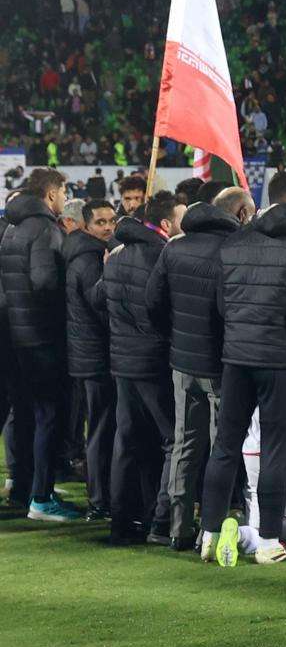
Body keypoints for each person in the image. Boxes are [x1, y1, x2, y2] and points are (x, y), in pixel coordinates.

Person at [196, 172, 286, 566]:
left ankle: (210, 533)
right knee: (274, 450)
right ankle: (269, 540)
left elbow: (220, 303)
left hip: (236, 358)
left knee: (225, 446)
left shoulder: (234, 240)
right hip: (282, 361)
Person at [145, 186, 251, 546]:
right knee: (223, 446)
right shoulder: (231, 250)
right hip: (219, 364)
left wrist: (175, 337)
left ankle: (178, 529)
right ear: (239, 214)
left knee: (184, 445)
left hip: (182, 361)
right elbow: (229, 311)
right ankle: (214, 525)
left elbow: (152, 302)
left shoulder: (174, 248)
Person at [99, 193, 178, 545]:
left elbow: (98, 297)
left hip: (123, 362)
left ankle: (122, 520)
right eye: (181, 218)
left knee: (128, 440)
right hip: (152, 361)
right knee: (173, 441)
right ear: (165, 224)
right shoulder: (162, 256)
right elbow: (165, 311)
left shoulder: (115, 255)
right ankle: (161, 520)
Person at [1, 168, 79, 521]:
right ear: (51, 193)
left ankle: (25, 486)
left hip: (16, 335)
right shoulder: (45, 228)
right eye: (64, 192)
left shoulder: (13, 227)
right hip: (42, 337)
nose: (65, 198)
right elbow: (46, 283)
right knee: (49, 415)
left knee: (25, 414)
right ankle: (42, 498)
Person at [63, 198, 118, 524]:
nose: (109, 227)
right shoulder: (89, 259)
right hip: (95, 358)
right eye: (101, 222)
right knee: (99, 430)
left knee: (99, 427)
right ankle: (99, 500)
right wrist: (111, 272)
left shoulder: (84, 254)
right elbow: (101, 306)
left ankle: (102, 496)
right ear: (86, 225)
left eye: (112, 220)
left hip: (88, 355)